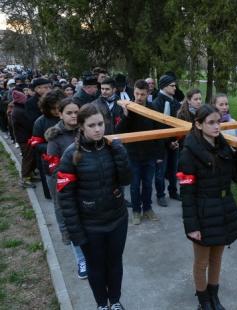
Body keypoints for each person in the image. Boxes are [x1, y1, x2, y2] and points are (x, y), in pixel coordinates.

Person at [57, 104, 131, 310]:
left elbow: (126, 180)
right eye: (92, 125)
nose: (98, 129)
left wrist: (121, 154)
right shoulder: (71, 155)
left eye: (101, 124)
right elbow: (66, 200)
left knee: (115, 264)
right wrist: (75, 232)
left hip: (117, 220)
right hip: (90, 225)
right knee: (96, 268)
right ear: (81, 126)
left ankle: (115, 301)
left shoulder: (112, 148)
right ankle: (101, 304)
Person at [178, 104, 237, 310]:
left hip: (224, 209)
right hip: (202, 212)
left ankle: (214, 296)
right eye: (211, 123)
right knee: (202, 262)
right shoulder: (189, 154)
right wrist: (192, 226)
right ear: (198, 125)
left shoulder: (224, 145)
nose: (217, 126)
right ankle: (203, 301)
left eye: (219, 122)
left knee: (217, 258)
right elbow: (187, 194)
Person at [44, 97, 87, 279]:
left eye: (76, 112)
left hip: (85, 184)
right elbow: (54, 168)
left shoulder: (84, 131)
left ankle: (90, 254)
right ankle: (81, 260)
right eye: (69, 113)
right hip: (66, 187)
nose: (74, 116)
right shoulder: (55, 138)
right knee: (72, 224)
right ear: (60, 114)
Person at [116, 80, 165, 225]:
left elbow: (160, 132)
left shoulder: (153, 108)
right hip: (132, 155)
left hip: (149, 155)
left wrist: (159, 155)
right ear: (134, 92)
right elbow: (118, 132)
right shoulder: (127, 107)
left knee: (148, 184)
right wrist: (125, 116)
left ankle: (148, 209)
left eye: (142, 94)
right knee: (135, 185)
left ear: (148, 93)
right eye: (137, 93)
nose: (139, 97)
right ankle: (136, 211)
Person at [153, 74, 182, 206]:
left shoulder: (175, 102)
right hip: (160, 144)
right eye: (172, 85)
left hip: (175, 142)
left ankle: (173, 191)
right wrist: (167, 142)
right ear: (164, 86)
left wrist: (176, 140)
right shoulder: (156, 103)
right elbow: (157, 126)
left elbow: (180, 122)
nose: (175, 88)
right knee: (160, 170)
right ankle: (160, 194)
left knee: (173, 169)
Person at [31, 89, 65, 199]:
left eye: (58, 107)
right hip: (50, 162)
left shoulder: (70, 117)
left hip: (70, 161)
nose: (56, 111)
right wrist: (55, 148)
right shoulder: (40, 122)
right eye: (53, 108)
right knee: (56, 194)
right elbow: (36, 144)